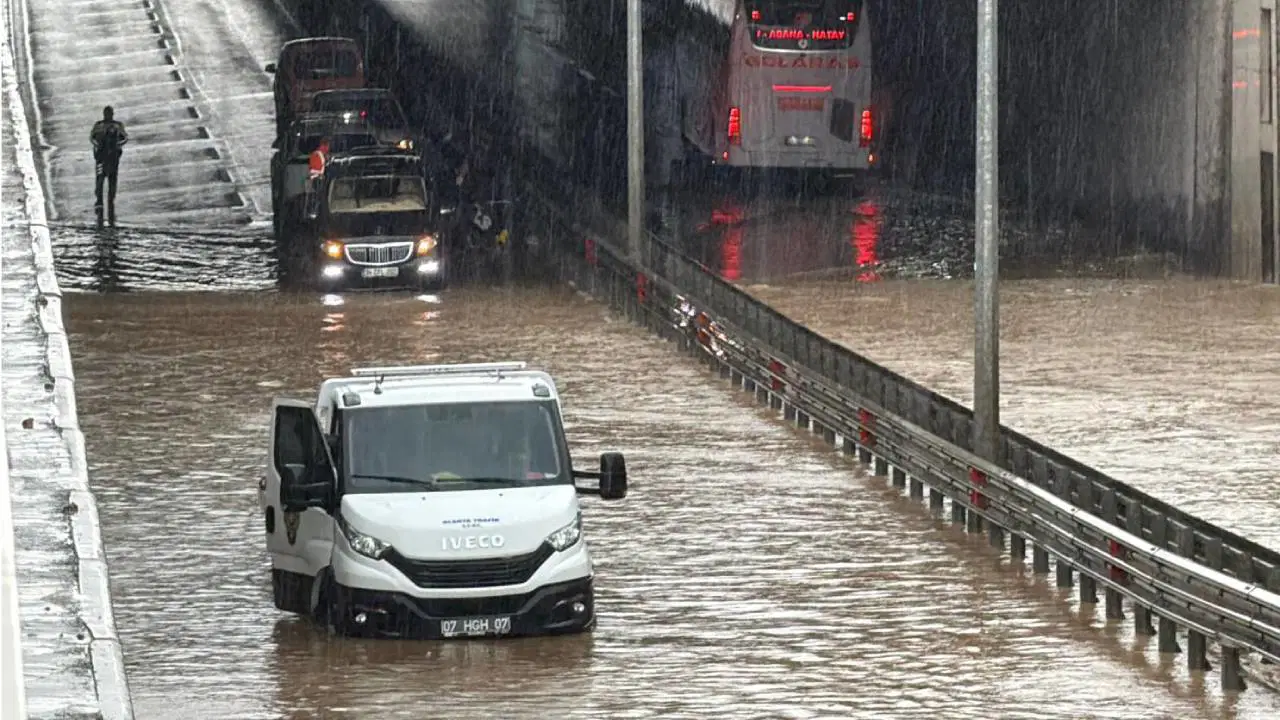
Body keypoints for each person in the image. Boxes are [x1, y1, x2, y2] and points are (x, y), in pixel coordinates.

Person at [90, 106, 128, 224]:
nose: (108, 115)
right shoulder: (99, 125)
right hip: (101, 157)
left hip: (113, 157)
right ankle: (99, 200)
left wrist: (118, 145)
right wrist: (97, 146)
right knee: (100, 179)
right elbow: (92, 138)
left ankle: (111, 200)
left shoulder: (117, 125)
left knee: (112, 179)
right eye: (106, 113)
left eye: (109, 113)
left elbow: (125, 138)